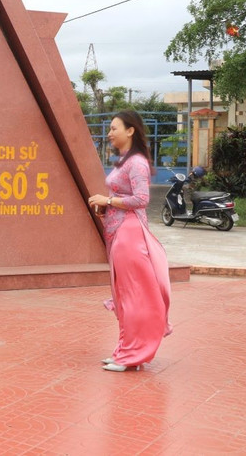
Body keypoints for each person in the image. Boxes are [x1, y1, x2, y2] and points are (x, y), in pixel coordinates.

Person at [88, 110, 172, 372]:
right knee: (124, 295)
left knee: (134, 295)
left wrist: (108, 200)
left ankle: (132, 354)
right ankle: (126, 350)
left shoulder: (136, 162)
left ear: (130, 131)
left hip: (130, 233)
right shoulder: (123, 161)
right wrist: (107, 206)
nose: (110, 133)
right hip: (118, 232)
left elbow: (141, 199)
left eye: (114, 128)